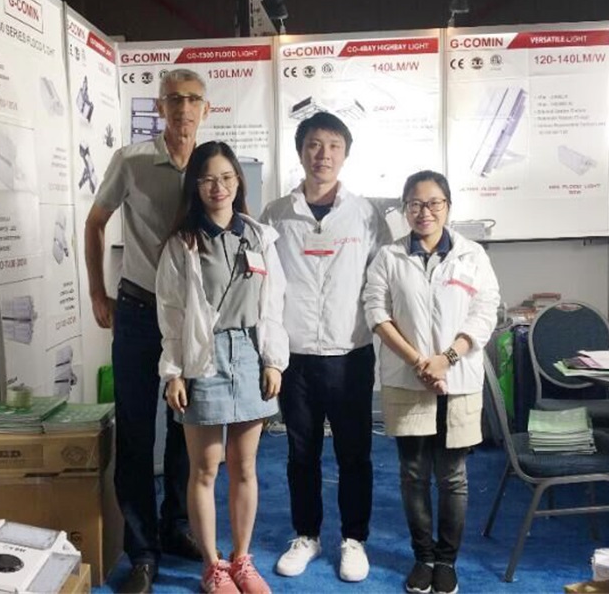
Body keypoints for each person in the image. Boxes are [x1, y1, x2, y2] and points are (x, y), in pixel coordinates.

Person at [84, 69, 210, 593]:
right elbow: (95, 222)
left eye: (193, 99)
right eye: (174, 99)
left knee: (188, 427)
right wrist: (97, 292)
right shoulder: (132, 160)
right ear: (159, 107)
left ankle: (175, 525)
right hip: (138, 312)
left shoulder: (211, 166)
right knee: (136, 432)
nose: (183, 108)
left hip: (192, 318)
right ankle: (141, 549)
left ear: (206, 109)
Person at [259, 111, 391, 582]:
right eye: (314, 144)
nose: (323, 155)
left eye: (334, 146)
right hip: (295, 356)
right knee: (302, 452)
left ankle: (354, 538)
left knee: (355, 452)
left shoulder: (365, 214)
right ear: (300, 151)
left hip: (349, 353)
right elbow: (265, 287)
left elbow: (381, 280)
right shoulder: (276, 214)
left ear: (346, 154)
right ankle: (307, 535)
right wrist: (270, 352)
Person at [156, 141, 289, 594]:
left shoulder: (259, 237)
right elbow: (172, 312)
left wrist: (273, 361)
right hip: (203, 357)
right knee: (205, 468)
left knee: (245, 466)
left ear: (238, 182)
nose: (219, 187)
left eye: (227, 177)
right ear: (195, 186)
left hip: (249, 354)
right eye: (209, 179)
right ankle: (213, 565)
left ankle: (242, 559)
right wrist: (174, 372)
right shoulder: (183, 243)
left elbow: (273, 304)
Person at [362, 170, 500, 594]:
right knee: (413, 472)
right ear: (405, 210)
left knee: (453, 475)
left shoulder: (472, 255)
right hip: (407, 377)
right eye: (416, 204)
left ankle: (447, 561)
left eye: (434, 203)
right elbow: (376, 313)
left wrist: (446, 359)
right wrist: (420, 362)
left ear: (448, 207)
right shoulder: (388, 257)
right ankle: (423, 557)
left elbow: (485, 312)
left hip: (458, 379)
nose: (425, 212)